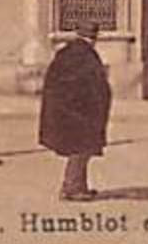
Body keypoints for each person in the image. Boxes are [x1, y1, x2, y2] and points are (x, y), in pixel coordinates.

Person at [38, 21, 113, 202]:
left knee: (79, 148)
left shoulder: (65, 52)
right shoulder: (86, 56)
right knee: (82, 148)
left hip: (65, 110)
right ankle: (72, 188)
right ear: (93, 38)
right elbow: (92, 84)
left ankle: (78, 186)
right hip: (80, 112)